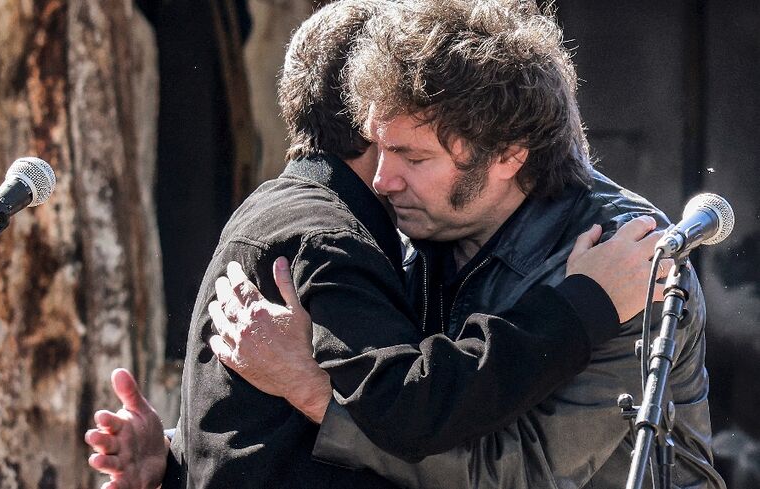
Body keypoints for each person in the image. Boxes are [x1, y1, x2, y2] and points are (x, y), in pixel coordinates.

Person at [85, 1, 670, 488]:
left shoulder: (622, 249)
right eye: (387, 148)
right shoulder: (332, 237)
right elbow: (410, 404)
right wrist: (580, 307)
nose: (390, 177)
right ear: (365, 117)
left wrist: (181, 454)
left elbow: (522, 467)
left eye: (413, 155)